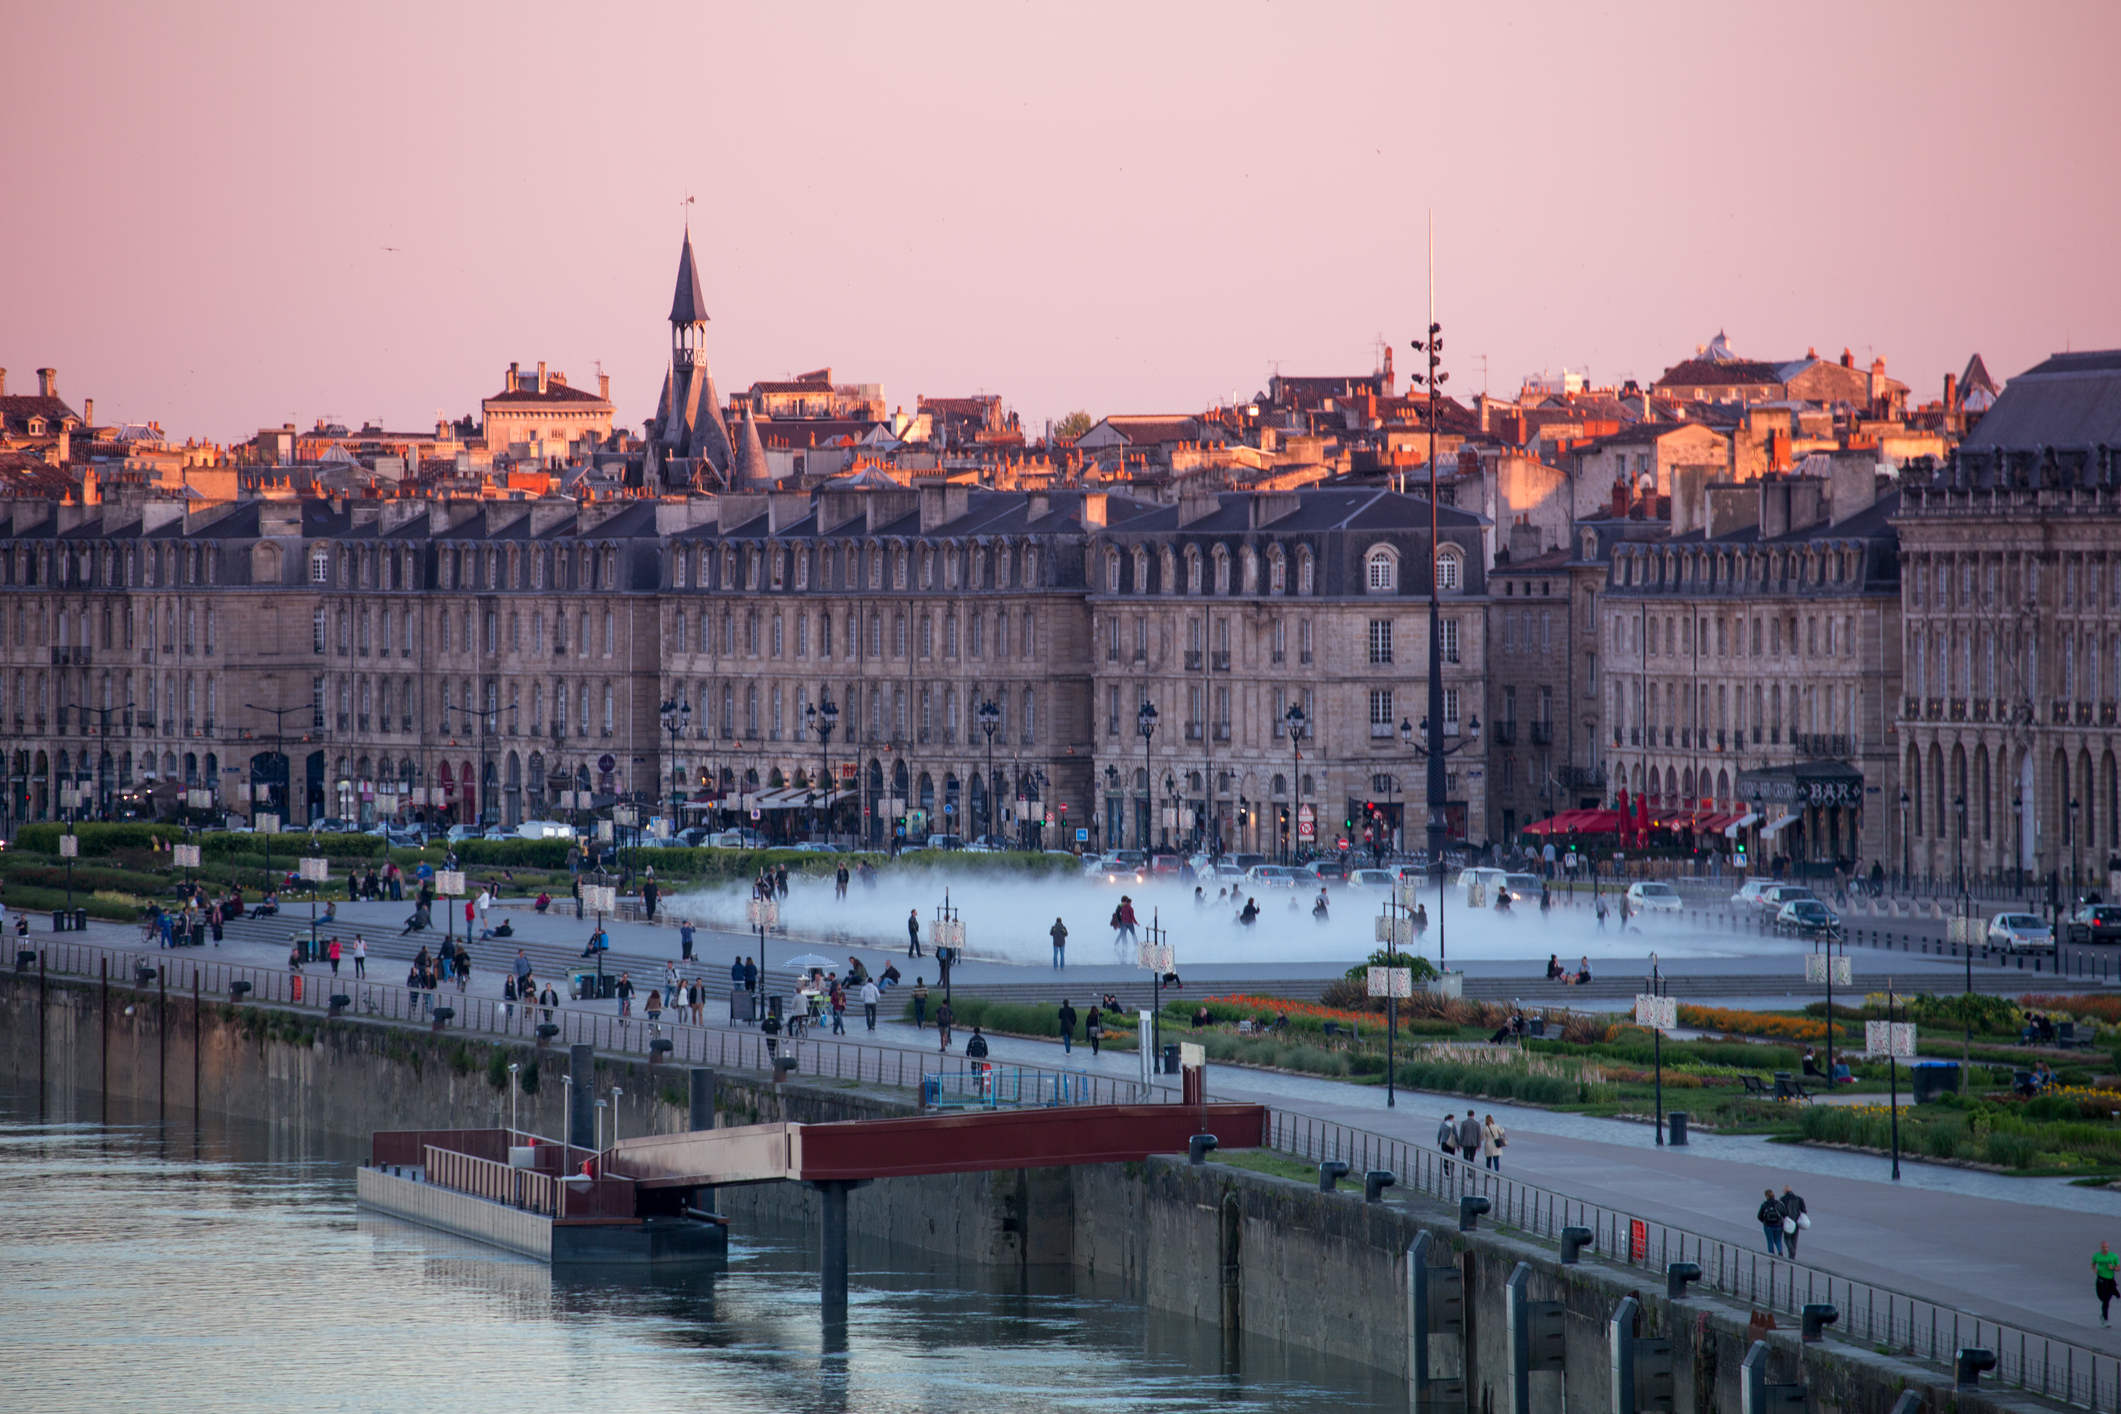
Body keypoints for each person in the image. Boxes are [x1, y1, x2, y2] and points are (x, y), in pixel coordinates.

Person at [1779, 1185, 1808, 1259]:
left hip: (1788, 1221)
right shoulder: (1799, 1198)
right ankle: (1792, 1255)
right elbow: (1804, 1211)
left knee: (1787, 1238)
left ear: (1785, 1190)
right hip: (1796, 1221)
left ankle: (1791, 1250)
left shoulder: (1782, 1199)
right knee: (1794, 1239)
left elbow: (1781, 1210)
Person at [2097, 1241, 2119, 1328]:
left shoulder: (2113, 1256)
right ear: (2101, 1247)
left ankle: (2105, 1319)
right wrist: (2094, 1269)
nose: (2105, 1249)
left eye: (2106, 1247)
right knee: (2103, 1299)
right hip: (2101, 1281)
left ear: (2108, 1247)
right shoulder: (2097, 1256)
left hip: (2110, 1282)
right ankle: (2104, 1316)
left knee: (2106, 1300)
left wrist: (2113, 1267)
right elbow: (2092, 1264)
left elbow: (2118, 1268)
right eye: (2103, 1247)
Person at [1757, 1189, 1785, 1255]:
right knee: (1778, 1240)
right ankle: (1780, 1252)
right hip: (1778, 1225)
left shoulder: (1764, 1205)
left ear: (1767, 1196)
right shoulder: (1779, 1204)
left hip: (1768, 1226)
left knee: (1770, 1241)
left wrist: (1764, 1221)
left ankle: (1771, 1256)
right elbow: (1785, 1214)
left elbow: (1759, 1216)